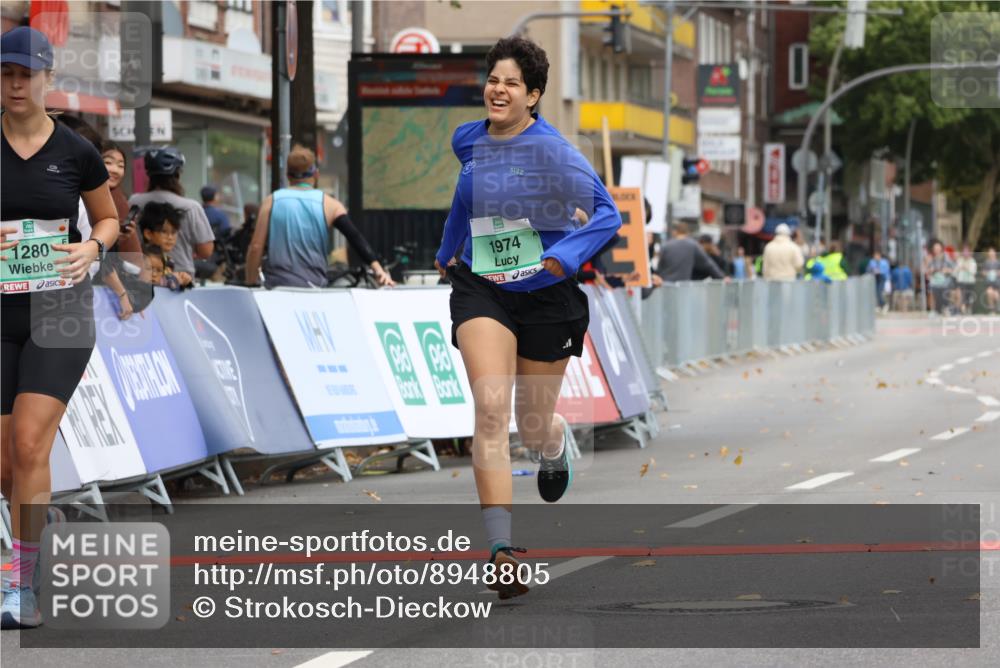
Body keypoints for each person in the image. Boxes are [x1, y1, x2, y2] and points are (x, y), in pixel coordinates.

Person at [434, 37, 621, 599]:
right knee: (490, 405)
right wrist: (448, 250)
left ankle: (554, 440)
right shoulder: (468, 140)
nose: (498, 88)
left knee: (533, 422)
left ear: (533, 95)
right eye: (494, 78)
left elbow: (606, 213)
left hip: (545, 294)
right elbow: (466, 203)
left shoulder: (555, 152)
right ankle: (500, 549)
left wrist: (563, 254)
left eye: (512, 82)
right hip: (482, 287)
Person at [1, 27, 120, 629]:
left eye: (26, 73)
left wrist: (92, 250)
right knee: (5, 463)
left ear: (48, 78)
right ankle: (30, 540)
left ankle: (22, 585)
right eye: (6, 74)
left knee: (29, 443)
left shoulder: (76, 151)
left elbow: (108, 218)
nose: (16, 83)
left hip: (60, 309)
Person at [245, 145, 393, 288]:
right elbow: (355, 237)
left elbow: (256, 247)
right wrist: (378, 269)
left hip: (278, 288)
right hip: (314, 288)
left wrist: (251, 282)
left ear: (288, 175)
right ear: (316, 174)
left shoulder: (271, 201)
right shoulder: (330, 204)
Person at [129, 147, 215, 286]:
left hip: (143, 277)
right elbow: (206, 251)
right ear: (178, 175)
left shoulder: (134, 202)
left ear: (149, 174)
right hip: (182, 279)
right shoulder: (191, 207)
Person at [649, 221, 725, 284]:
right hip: (683, 288)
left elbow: (660, 268)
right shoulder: (692, 245)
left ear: (675, 232)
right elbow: (708, 264)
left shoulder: (666, 246)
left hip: (665, 286)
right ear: (687, 232)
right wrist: (722, 277)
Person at [139, 202, 185, 291]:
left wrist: (184, 281)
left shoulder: (168, 260)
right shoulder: (139, 258)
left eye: (173, 232)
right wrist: (175, 280)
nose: (170, 237)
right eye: (164, 231)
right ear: (148, 234)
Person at [926, 240, 954, 315]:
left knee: (945, 287)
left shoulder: (946, 257)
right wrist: (930, 271)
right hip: (935, 280)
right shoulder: (931, 259)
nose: (937, 250)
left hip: (945, 279)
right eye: (935, 249)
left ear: (941, 248)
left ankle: (946, 308)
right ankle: (933, 310)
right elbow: (927, 271)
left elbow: (953, 269)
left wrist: (947, 270)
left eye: (938, 248)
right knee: (931, 289)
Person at [954, 244, 977, 315]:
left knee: (968, 297)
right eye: (964, 251)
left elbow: (973, 272)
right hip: (961, 281)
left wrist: (966, 267)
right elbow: (955, 272)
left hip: (970, 282)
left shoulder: (972, 261)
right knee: (960, 293)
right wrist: (959, 269)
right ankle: (960, 309)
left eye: (967, 251)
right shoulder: (959, 260)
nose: (965, 253)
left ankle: (966, 308)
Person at [982, 247, 999, 314]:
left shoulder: (998, 262)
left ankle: (997, 308)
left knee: (996, 295)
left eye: (992, 252)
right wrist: (987, 273)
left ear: (995, 253)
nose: (991, 254)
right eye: (990, 252)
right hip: (989, 282)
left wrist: (997, 273)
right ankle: (992, 310)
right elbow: (983, 272)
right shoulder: (986, 262)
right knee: (989, 293)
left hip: (997, 282)